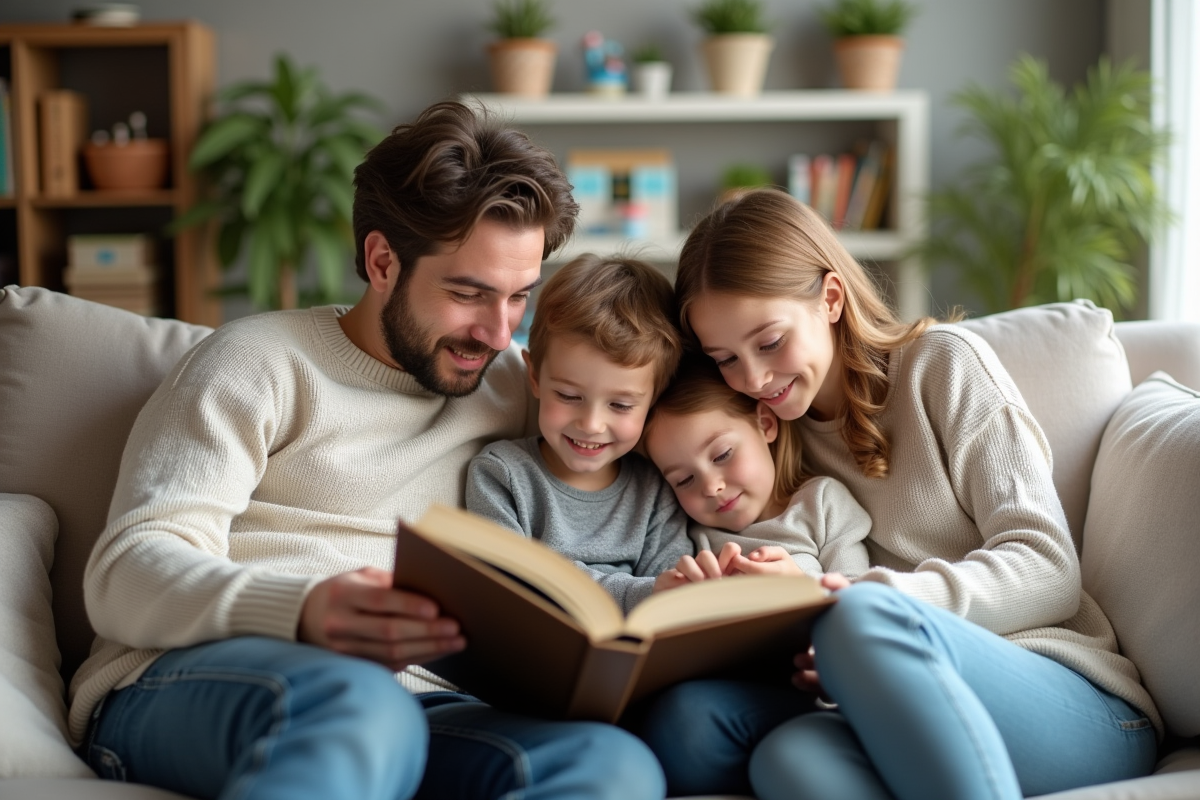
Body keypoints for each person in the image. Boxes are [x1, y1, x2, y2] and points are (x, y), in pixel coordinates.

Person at [67, 101, 666, 800]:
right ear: (383, 261)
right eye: (468, 293)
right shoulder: (257, 363)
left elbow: (661, 413)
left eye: (518, 298)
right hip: (196, 680)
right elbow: (125, 572)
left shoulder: (521, 385)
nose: (500, 333)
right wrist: (303, 609)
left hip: (424, 704)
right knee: (365, 708)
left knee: (611, 765)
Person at [638, 188, 1160, 800]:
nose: (753, 378)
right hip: (890, 689)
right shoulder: (762, 431)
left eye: (770, 342)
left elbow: (1049, 569)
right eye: (725, 358)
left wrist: (856, 604)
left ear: (831, 298)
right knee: (788, 757)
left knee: (855, 619)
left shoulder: (942, 366)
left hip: (1074, 699)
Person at [466, 254, 692, 612]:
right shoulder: (501, 473)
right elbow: (510, 583)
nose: (591, 424)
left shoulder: (656, 491)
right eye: (569, 396)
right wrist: (638, 593)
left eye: (620, 405)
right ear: (535, 377)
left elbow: (674, 591)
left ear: (654, 399)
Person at [640, 358, 870, 584]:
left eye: (722, 455)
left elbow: (861, 591)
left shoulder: (821, 504)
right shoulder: (692, 541)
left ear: (765, 424)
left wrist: (802, 584)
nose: (711, 487)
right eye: (684, 480)